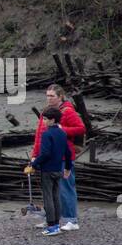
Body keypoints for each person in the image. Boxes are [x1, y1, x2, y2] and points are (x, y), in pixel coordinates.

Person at [31, 84, 85, 230]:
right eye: (47, 95)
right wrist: (35, 154)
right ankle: (51, 219)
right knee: (50, 190)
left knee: (65, 188)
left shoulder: (68, 111)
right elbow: (39, 135)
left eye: (52, 96)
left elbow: (81, 128)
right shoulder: (46, 112)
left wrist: (62, 129)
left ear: (60, 96)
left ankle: (71, 220)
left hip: (63, 156)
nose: (49, 98)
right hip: (48, 157)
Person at [27, 106, 68, 236]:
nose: (43, 121)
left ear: (52, 120)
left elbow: (45, 153)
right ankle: (57, 224)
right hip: (58, 169)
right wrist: (68, 167)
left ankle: (52, 226)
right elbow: (67, 152)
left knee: (48, 198)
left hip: (48, 170)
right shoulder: (62, 133)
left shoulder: (46, 134)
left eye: (45, 119)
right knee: (56, 197)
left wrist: (33, 164)